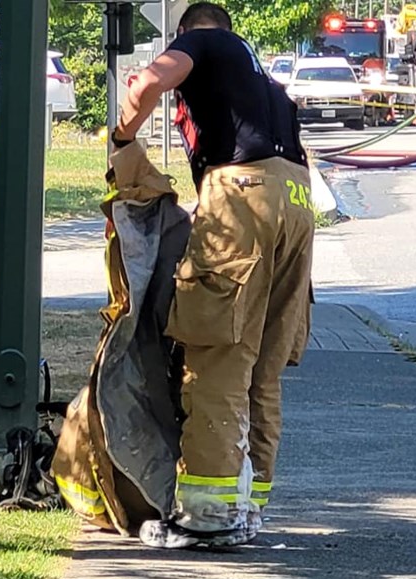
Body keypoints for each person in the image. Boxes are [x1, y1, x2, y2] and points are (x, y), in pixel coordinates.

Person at [112, 2, 314, 548]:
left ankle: (208, 515)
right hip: (296, 200)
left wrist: (124, 134)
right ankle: (248, 506)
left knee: (219, 352)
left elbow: (150, 81)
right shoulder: (267, 86)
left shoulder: (207, 43)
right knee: (263, 363)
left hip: (243, 193)